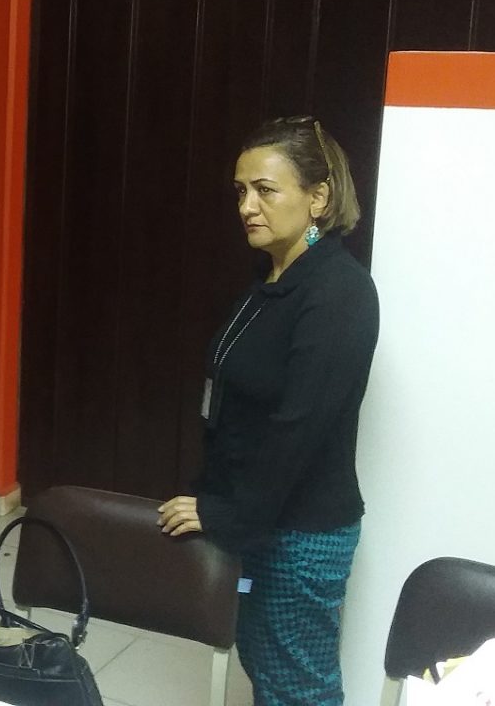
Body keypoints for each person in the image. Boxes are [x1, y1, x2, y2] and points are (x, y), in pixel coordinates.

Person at [158, 117, 380, 706]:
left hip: (300, 532)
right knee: (267, 666)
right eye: (240, 191)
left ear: (318, 198)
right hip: (259, 516)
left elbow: (297, 429)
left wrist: (223, 512)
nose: (247, 206)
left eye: (265, 190)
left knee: (299, 686)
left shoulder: (339, 292)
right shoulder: (274, 277)